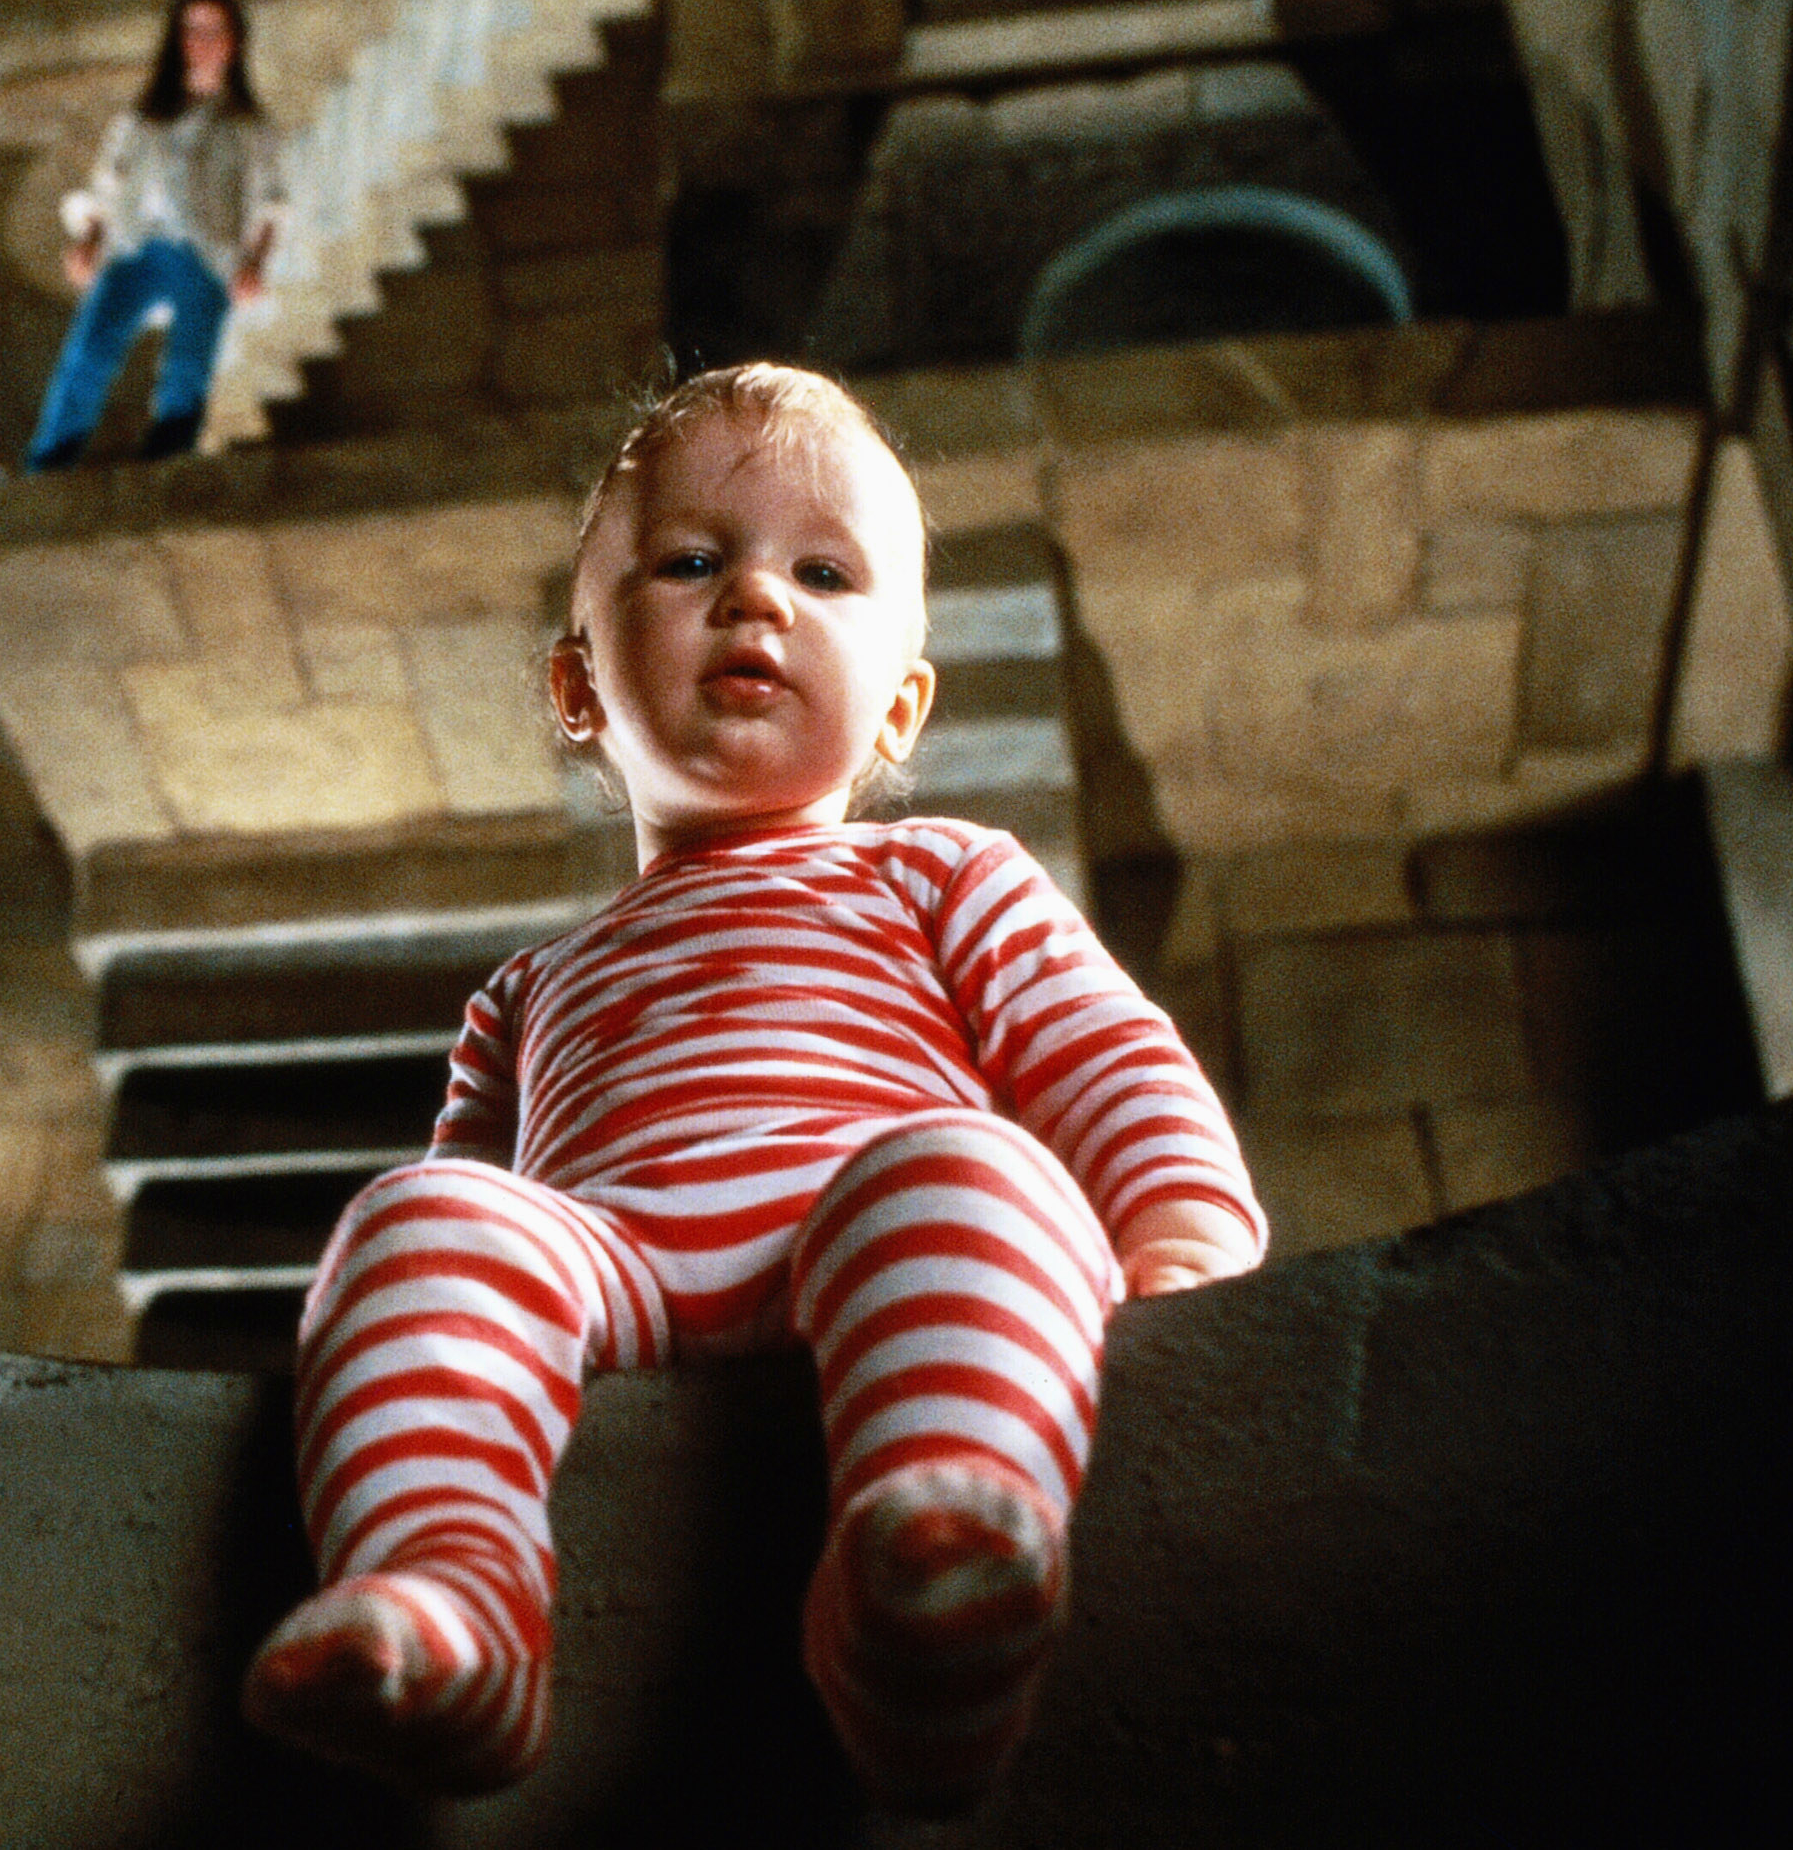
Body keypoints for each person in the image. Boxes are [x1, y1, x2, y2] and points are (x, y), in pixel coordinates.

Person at [237, 365, 1268, 1814]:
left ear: (902, 704)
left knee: (980, 1172)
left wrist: (1183, 1231)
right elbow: (463, 1220)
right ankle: (454, 1593)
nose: (758, 598)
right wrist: (440, 1272)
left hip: (866, 1224)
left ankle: (932, 1567)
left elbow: (1103, 1051)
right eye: (695, 559)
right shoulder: (528, 986)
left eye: (825, 570)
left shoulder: (941, 870)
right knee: (416, 1217)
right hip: (616, 1264)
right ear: (578, 682)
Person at [23, 0, 285, 473]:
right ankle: (48, 465)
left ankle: (165, 464)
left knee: (187, 369)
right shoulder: (143, 115)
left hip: (205, 254)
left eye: (214, 30)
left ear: (234, 42)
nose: (201, 41)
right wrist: (90, 237)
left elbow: (271, 204)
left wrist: (255, 262)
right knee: (87, 353)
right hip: (135, 247)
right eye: (191, 30)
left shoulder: (249, 125)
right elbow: (108, 181)